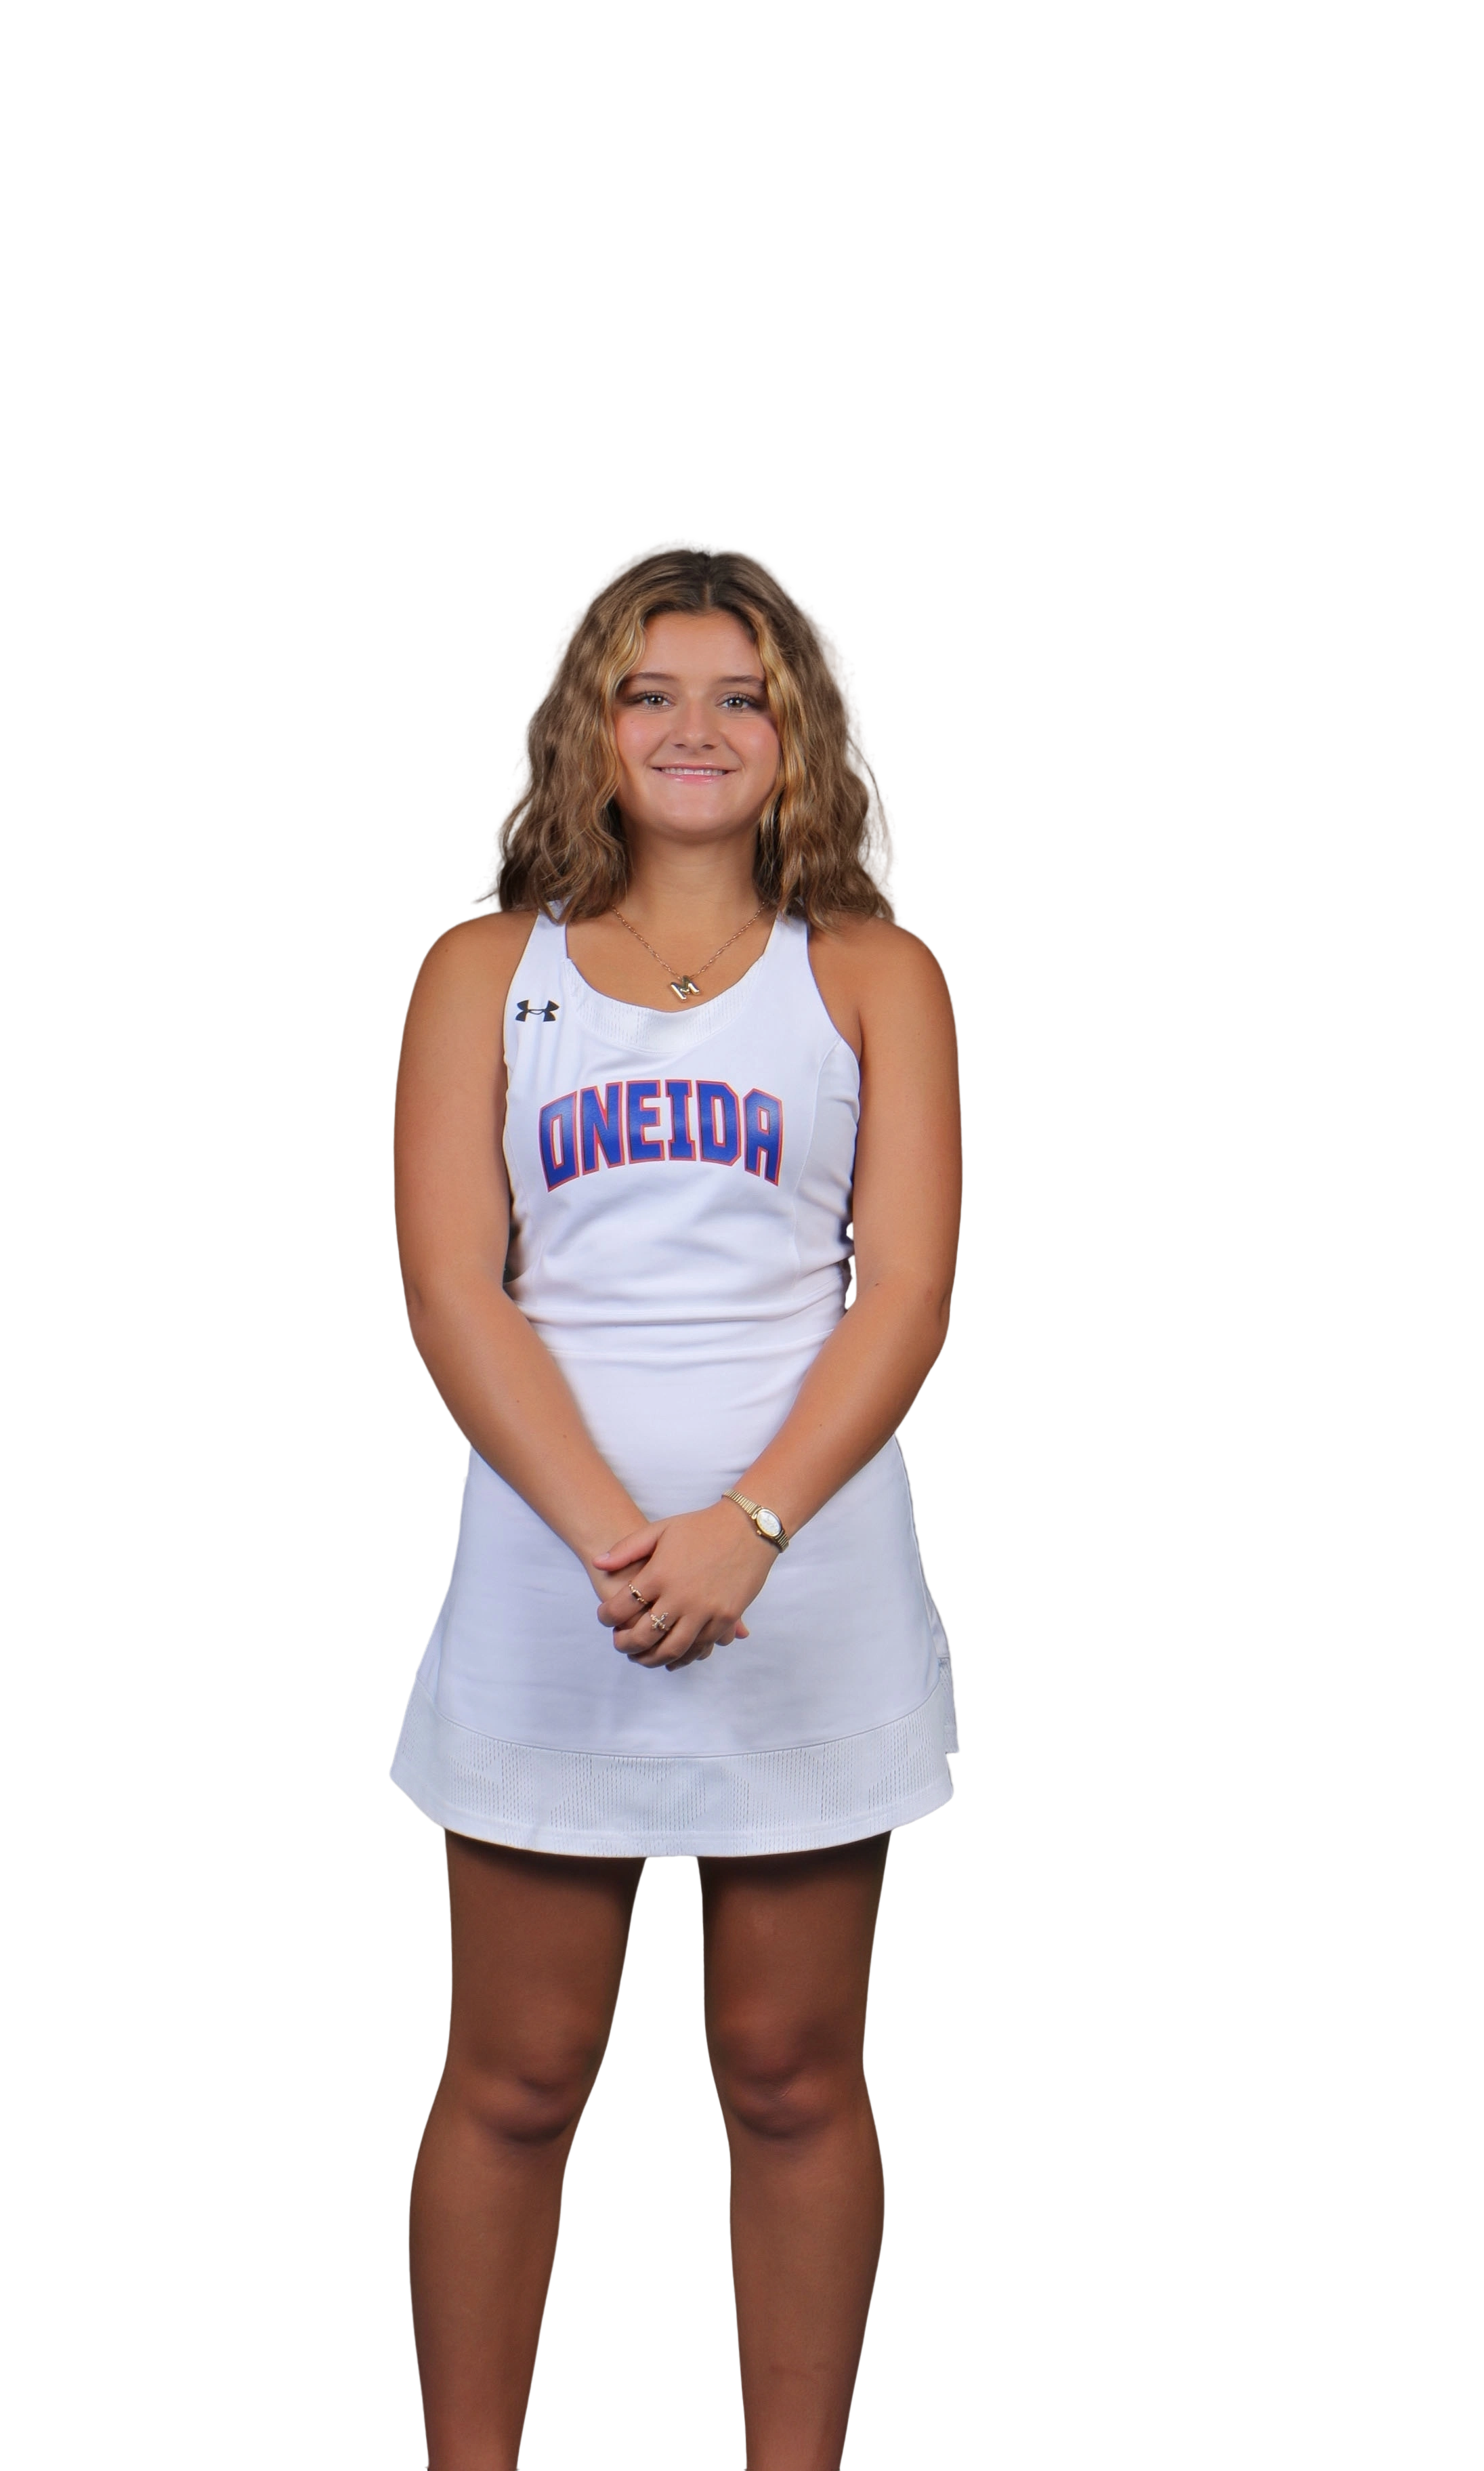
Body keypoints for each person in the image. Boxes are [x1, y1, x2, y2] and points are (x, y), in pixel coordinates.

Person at [386, 532, 963, 2471]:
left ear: (802, 734)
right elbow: (455, 1290)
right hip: (555, 1595)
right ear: (589, 724)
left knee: (792, 2074)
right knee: (518, 2072)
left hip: (805, 1591)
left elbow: (904, 1294)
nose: (695, 728)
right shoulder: (484, 972)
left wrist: (751, 1532)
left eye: (742, 694)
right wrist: (616, 1539)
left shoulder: (873, 975)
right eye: (651, 692)